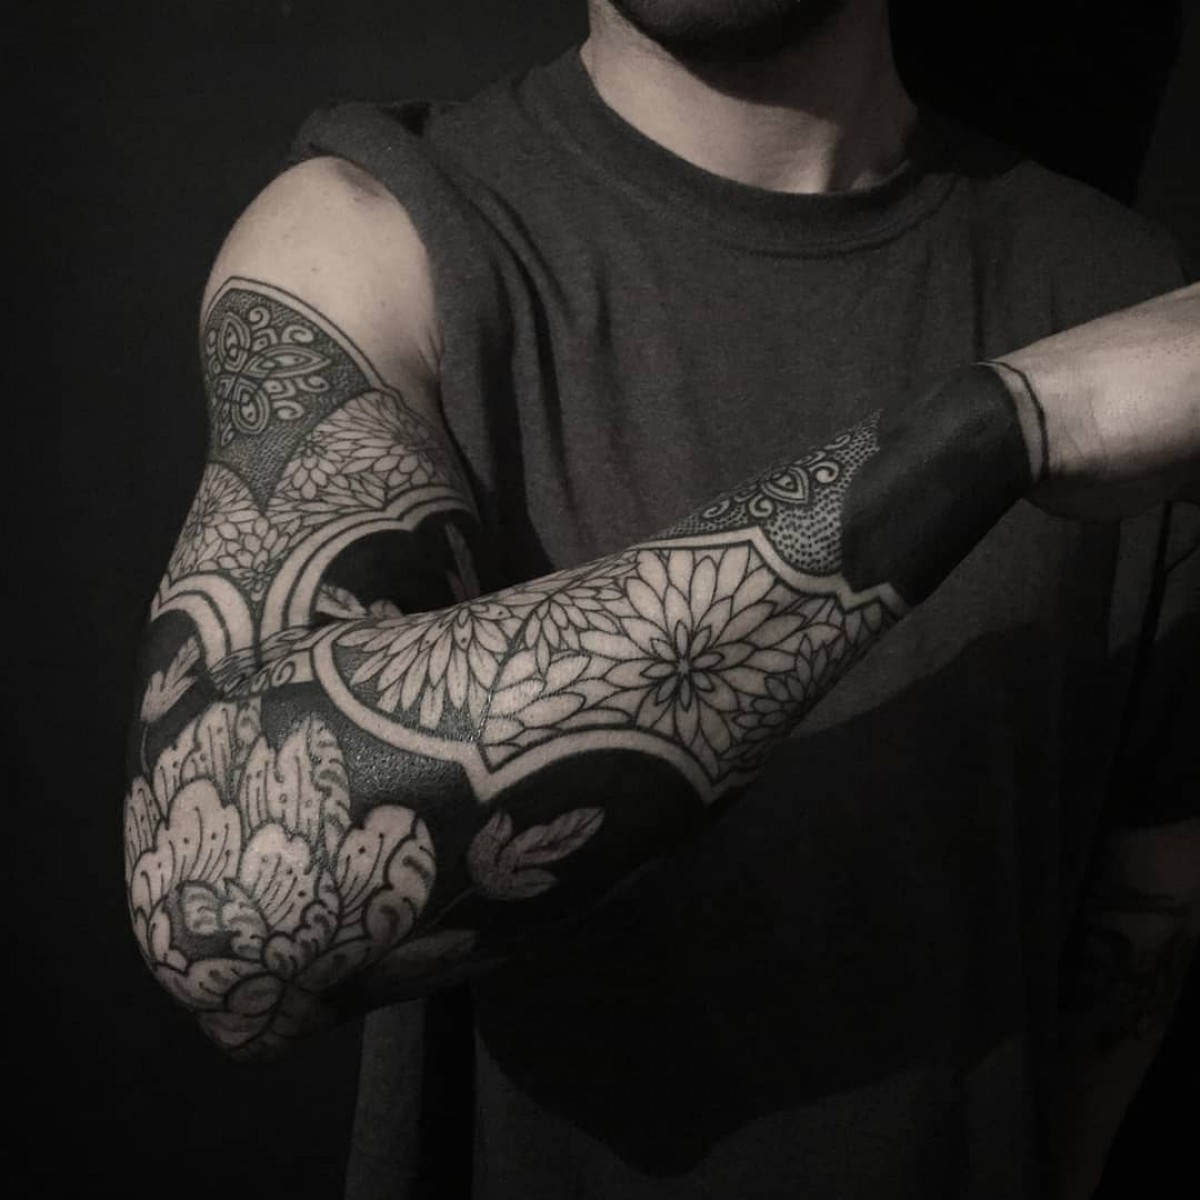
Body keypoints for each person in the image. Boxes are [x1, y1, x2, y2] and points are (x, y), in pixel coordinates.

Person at [123, 2, 1200, 1197]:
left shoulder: (1129, 294)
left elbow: (1139, 918)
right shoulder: (380, 232)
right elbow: (225, 920)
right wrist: (999, 429)